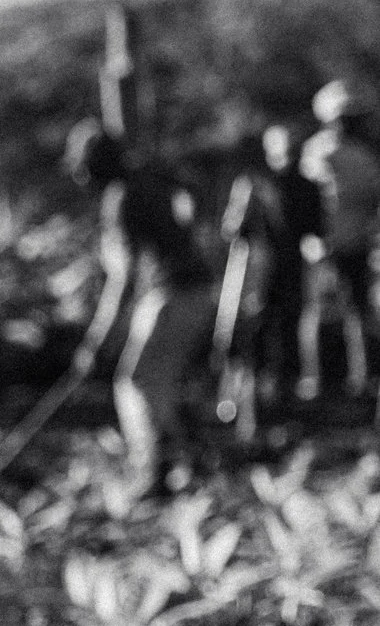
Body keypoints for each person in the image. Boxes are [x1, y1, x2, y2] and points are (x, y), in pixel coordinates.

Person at [64, 120, 218, 501]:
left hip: (174, 293)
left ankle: (152, 473)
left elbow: (123, 278)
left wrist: (97, 341)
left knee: (136, 382)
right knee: (158, 382)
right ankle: (187, 461)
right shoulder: (144, 183)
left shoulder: (121, 198)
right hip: (190, 291)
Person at [219, 123, 323, 407]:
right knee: (260, 333)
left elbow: (315, 228)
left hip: (278, 271)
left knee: (274, 332)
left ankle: (275, 396)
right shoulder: (255, 185)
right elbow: (234, 230)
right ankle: (252, 398)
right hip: (261, 273)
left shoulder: (296, 185)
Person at [299, 79, 380, 399]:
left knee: (357, 313)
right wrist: (312, 239)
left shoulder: (364, 157)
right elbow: (305, 201)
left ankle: (359, 379)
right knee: (317, 313)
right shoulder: (317, 152)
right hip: (323, 248)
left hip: (355, 245)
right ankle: (314, 380)